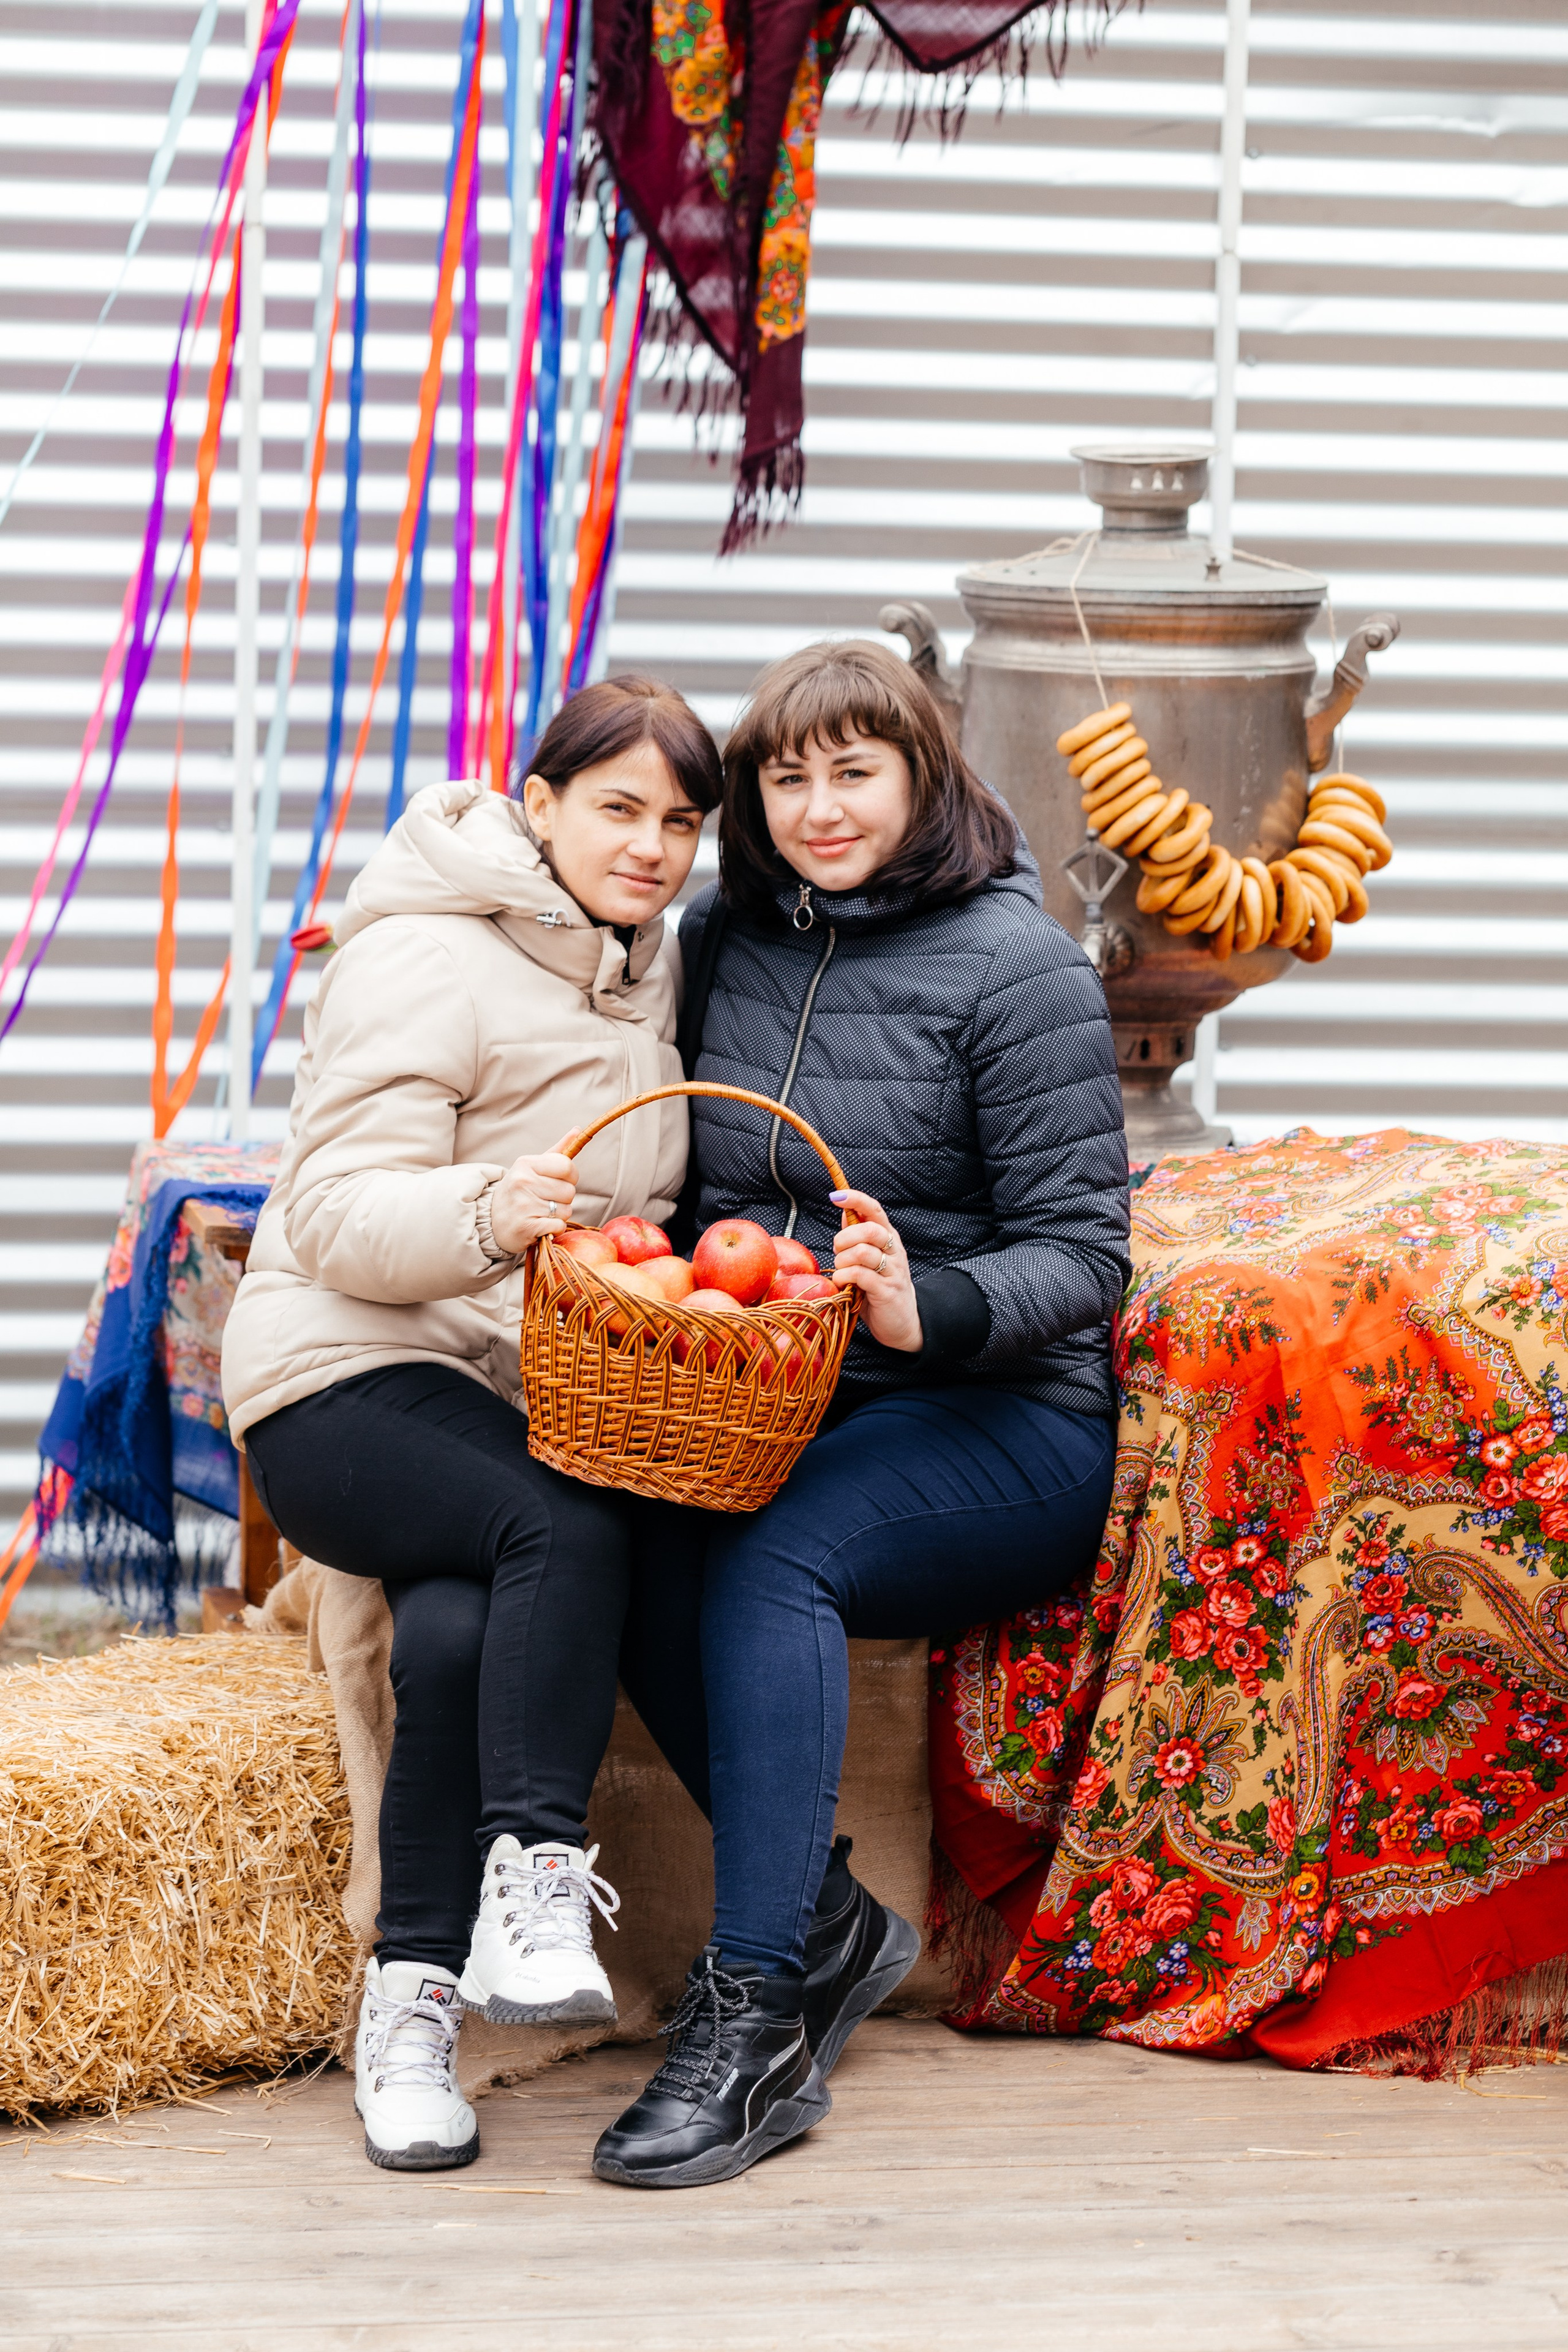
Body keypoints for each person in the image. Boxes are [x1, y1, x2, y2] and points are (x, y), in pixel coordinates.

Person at [597, 641, 1131, 2189]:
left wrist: (931, 1306)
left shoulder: (1015, 966)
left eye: (854, 771)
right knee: (614, 1529)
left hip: (996, 1419)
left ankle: (757, 2016)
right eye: (786, 775)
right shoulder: (731, 936)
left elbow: (1083, 1254)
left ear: (921, 779)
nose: (819, 808)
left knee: (776, 1554)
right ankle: (833, 1925)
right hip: (788, 1390)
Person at [221, 676, 722, 2173]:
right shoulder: (425, 957)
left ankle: (410, 2013)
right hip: (338, 1372)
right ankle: (539, 1866)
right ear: (540, 800)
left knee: (452, 1635)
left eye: (680, 821)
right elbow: (327, 1211)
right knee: (557, 1523)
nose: (649, 847)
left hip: (501, 1386)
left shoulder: (640, 964)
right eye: (618, 808)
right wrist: (485, 1215)